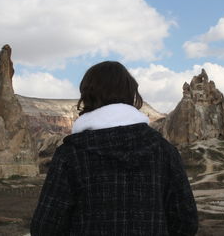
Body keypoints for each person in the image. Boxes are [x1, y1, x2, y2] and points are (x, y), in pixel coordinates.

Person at [30, 61, 198, 235]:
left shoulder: (70, 154)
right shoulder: (164, 151)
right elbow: (186, 222)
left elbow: (46, 226)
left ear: (88, 95)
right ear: (131, 93)